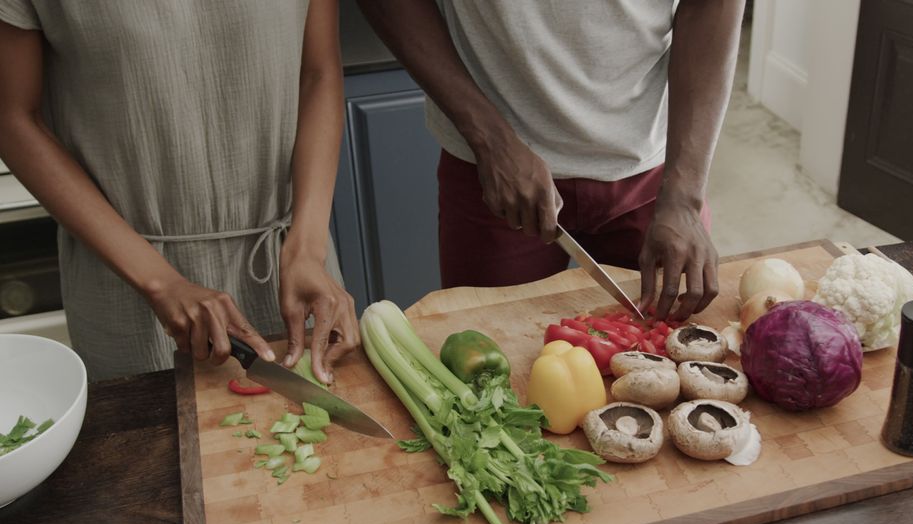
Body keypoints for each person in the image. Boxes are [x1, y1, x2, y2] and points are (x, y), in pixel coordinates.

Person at [0, 0, 357, 382]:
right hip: (129, 278)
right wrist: (160, 282)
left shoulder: (304, 253)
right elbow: (13, 118)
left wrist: (307, 249)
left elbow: (318, 72)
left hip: (294, 262)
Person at [357, 0, 745, 320]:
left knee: (681, 348)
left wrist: (684, 198)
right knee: (488, 372)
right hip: (494, 175)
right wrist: (490, 139)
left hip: (656, 177)